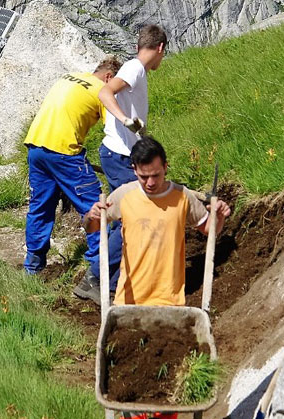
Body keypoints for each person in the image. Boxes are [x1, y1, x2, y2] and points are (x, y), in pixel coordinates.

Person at [83, 136, 231, 419]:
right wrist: (94, 214)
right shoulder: (124, 196)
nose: (150, 182)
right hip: (128, 302)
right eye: (143, 176)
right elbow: (92, 227)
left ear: (165, 167)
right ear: (134, 170)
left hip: (171, 302)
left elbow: (209, 229)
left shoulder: (183, 198)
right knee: (125, 373)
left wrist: (219, 213)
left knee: (172, 372)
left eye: (155, 175)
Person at [73, 24, 167, 304]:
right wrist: (126, 120)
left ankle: (110, 282)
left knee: (122, 218)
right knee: (133, 217)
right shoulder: (135, 68)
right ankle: (94, 276)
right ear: (160, 48)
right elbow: (105, 93)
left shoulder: (137, 70)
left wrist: (139, 136)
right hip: (118, 157)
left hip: (121, 155)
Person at [22, 57, 121, 274]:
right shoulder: (102, 91)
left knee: (41, 207)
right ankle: (100, 265)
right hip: (64, 152)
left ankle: (33, 267)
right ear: (109, 77)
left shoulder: (70, 78)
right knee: (94, 205)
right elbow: (114, 132)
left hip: (36, 147)